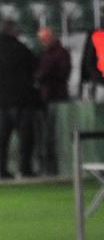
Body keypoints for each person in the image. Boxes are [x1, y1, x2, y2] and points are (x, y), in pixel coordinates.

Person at [0, 20, 39, 178]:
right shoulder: (21, 49)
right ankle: (25, 169)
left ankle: (1, 170)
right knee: (26, 138)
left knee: (2, 140)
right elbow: (33, 67)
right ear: (12, 32)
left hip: (2, 102)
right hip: (22, 101)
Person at [36, 27, 72, 174]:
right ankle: (49, 167)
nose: (43, 41)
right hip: (45, 98)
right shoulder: (44, 53)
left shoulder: (61, 53)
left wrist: (44, 75)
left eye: (45, 38)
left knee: (55, 134)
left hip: (57, 98)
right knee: (47, 135)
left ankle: (56, 167)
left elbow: (63, 74)